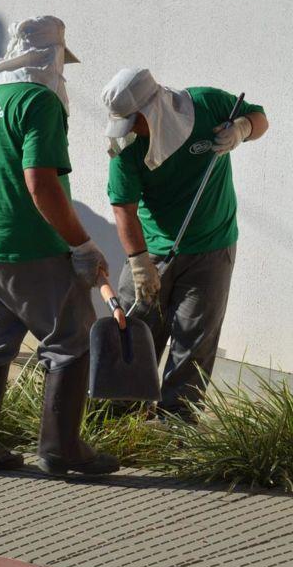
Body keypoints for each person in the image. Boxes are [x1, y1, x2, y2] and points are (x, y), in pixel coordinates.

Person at [0, 15, 118, 478]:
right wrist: (82, 244)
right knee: (69, 341)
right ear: (51, 57)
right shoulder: (39, 100)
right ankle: (62, 450)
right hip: (28, 245)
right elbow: (40, 184)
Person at [102, 68, 267, 420]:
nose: (131, 129)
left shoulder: (208, 104)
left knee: (196, 336)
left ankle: (176, 418)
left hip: (212, 245)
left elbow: (259, 117)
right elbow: (123, 209)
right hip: (152, 249)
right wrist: (138, 262)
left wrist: (242, 129)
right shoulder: (127, 146)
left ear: (155, 108)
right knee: (136, 328)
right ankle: (123, 412)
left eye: (135, 121)